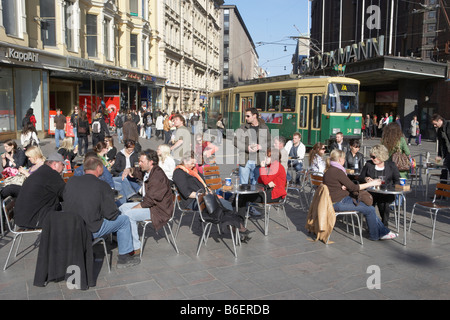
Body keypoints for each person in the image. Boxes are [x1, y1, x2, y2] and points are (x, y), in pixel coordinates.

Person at [62, 156, 140, 268]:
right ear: (99, 168)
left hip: (70, 226)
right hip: (90, 229)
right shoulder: (102, 185)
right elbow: (111, 215)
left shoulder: (71, 181)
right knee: (124, 220)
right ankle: (124, 258)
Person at [172, 151, 253, 241]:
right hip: (192, 200)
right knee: (223, 205)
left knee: (225, 204)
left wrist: (208, 192)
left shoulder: (193, 170)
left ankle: (236, 227)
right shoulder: (179, 173)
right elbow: (186, 193)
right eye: (192, 163)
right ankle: (237, 228)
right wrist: (203, 194)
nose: (193, 165)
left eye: (194, 163)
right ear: (184, 161)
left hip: (205, 197)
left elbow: (204, 184)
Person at [323, 149, 398, 241]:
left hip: (334, 201)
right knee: (369, 209)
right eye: (344, 158)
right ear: (339, 159)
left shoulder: (329, 170)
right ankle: (376, 235)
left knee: (368, 207)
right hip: (338, 202)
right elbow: (354, 187)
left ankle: (383, 232)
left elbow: (336, 185)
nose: (345, 160)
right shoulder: (338, 171)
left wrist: (344, 186)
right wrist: (371, 184)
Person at [119, 149, 174, 253]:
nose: (139, 164)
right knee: (122, 207)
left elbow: (149, 201)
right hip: (151, 205)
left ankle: (135, 248)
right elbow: (137, 172)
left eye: (142, 162)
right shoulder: (148, 171)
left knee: (129, 214)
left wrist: (134, 208)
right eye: (139, 161)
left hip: (158, 210)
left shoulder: (157, 176)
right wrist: (128, 170)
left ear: (151, 162)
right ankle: (123, 237)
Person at [236, 148, 287, 225]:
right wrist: (267, 179)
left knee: (242, 197)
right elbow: (260, 180)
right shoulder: (271, 166)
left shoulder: (276, 166)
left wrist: (262, 168)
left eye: (267, 157)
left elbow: (265, 181)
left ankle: (239, 223)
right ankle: (238, 221)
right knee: (242, 196)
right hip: (268, 192)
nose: (265, 158)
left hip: (274, 195)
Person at [14, 152, 66, 229]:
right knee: (71, 218)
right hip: (33, 219)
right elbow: (66, 193)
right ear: (55, 164)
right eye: (62, 165)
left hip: (21, 218)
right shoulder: (52, 174)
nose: (64, 167)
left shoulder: (41, 172)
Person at [358, 145, 400, 227]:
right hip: (371, 192)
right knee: (369, 202)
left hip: (386, 192)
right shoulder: (369, 164)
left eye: (373, 157)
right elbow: (360, 177)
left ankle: (384, 225)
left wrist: (389, 189)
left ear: (381, 156)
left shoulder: (391, 165)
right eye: (371, 157)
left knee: (384, 203)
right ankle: (371, 224)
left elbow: (397, 181)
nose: (372, 159)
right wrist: (366, 179)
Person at [234, 107, 271, 185]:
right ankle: (243, 197)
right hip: (245, 160)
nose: (246, 118)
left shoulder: (264, 127)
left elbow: (269, 142)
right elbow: (235, 141)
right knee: (243, 185)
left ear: (254, 116)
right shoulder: (243, 127)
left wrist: (261, 146)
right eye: (245, 116)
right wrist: (247, 147)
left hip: (258, 161)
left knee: (256, 185)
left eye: (248, 116)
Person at [431, 114, 450, 183]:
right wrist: (439, 156)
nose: (434, 126)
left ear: (439, 120)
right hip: (447, 153)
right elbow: (441, 145)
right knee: (444, 171)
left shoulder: (448, 125)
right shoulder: (439, 130)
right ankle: (441, 190)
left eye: (435, 124)